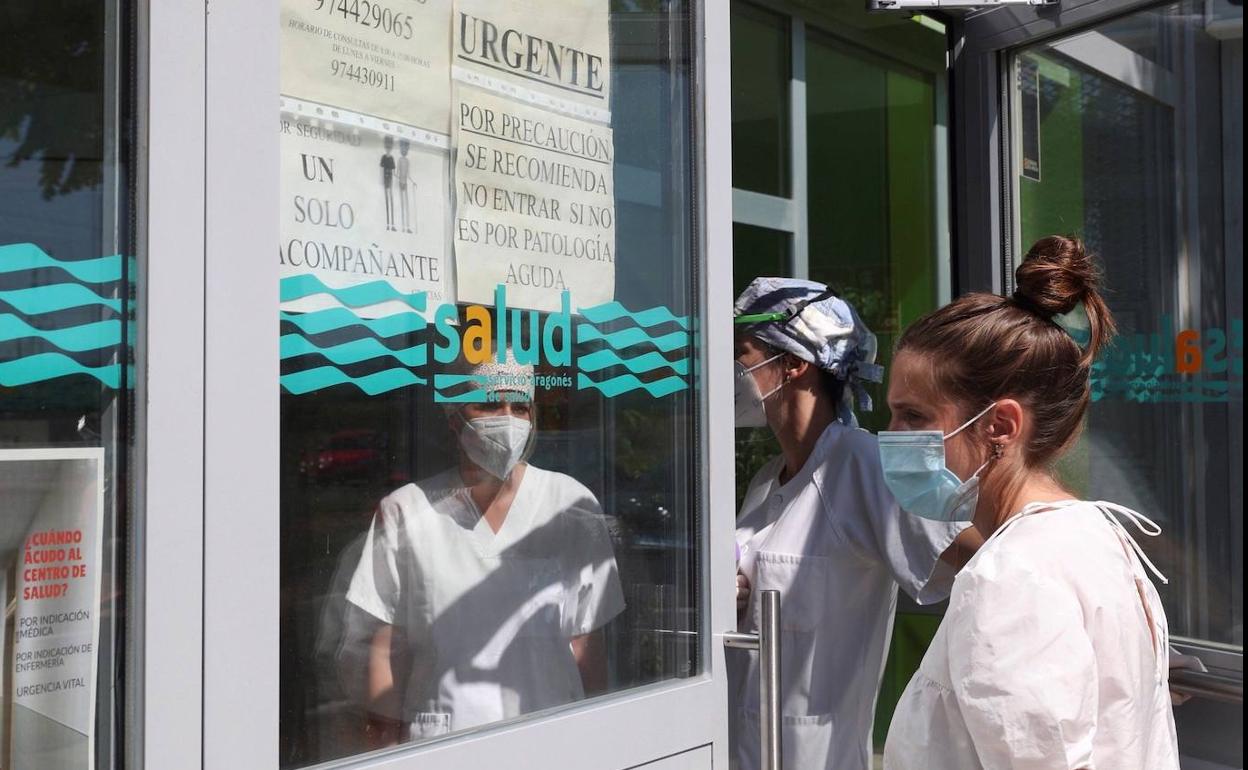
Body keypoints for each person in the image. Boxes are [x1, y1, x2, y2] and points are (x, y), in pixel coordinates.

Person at [881, 236, 1179, 769]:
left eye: (914, 417)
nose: (891, 436)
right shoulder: (1094, 536)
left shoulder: (1011, 575)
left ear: (1000, 426)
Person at [731, 278, 976, 770]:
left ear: (794, 363)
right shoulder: (765, 482)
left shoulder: (862, 464)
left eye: (742, 352)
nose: (729, 370)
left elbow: (984, 554)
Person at [341, 353, 625, 746]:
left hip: (551, 739)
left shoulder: (571, 505)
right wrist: (386, 745)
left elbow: (587, 644)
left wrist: (600, 742)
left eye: (520, 407)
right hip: (442, 743)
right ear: (453, 415)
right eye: (490, 403)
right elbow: (386, 645)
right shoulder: (407, 510)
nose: (507, 418)